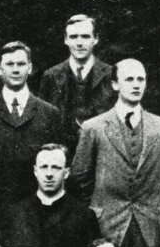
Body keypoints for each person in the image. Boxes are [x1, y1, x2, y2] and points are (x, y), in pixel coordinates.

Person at [72, 58, 160, 247]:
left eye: (141, 79)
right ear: (115, 85)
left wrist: (159, 209)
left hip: (150, 223)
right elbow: (79, 177)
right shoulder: (94, 127)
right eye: (129, 79)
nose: (136, 85)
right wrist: (100, 206)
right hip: (106, 223)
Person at [0, 41, 63, 222]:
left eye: (21, 64)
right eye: (10, 64)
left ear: (30, 68)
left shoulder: (49, 114)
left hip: (39, 213)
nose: (16, 69)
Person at [37, 14, 115, 151]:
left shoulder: (111, 75)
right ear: (66, 40)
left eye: (85, 36)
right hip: (61, 155)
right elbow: (43, 123)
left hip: (102, 152)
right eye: (73, 37)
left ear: (95, 39)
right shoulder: (51, 76)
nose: (79, 43)